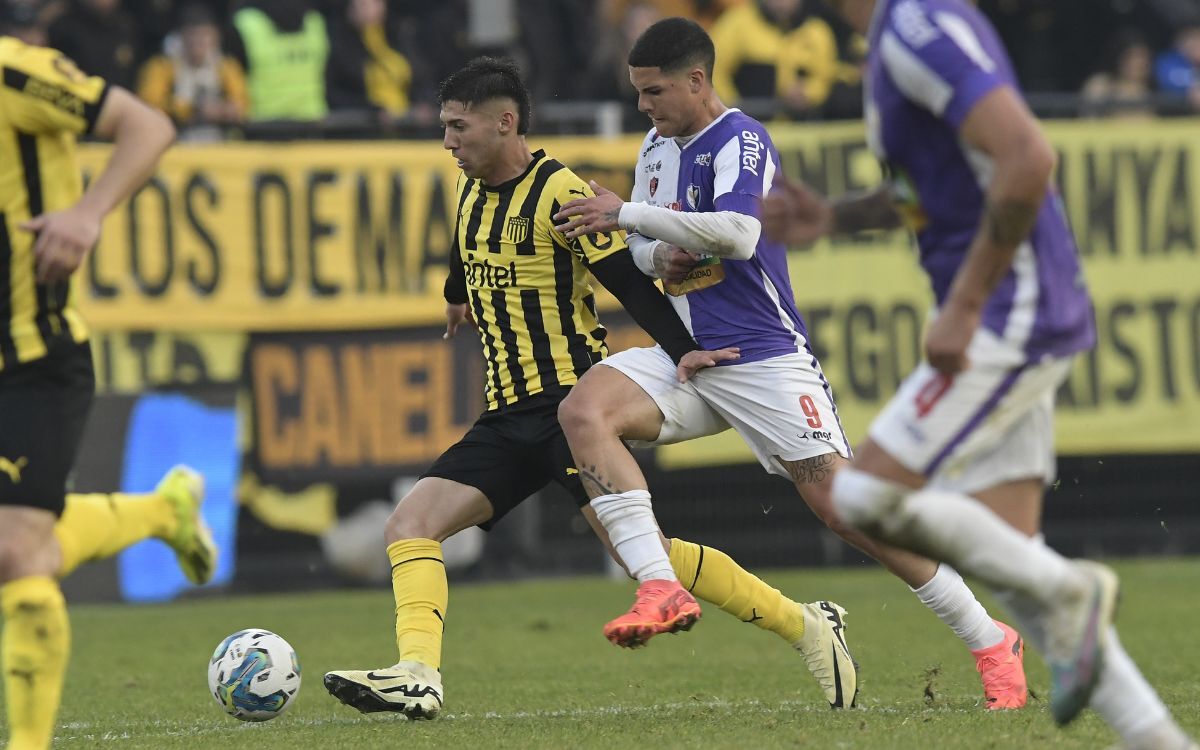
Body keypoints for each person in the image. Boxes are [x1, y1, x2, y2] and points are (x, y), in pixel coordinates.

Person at [321, 56, 853, 720]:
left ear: (504, 122)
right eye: (446, 128)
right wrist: (457, 297)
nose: (449, 141)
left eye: (459, 128)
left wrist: (684, 351)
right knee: (410, 526)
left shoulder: (558, 191)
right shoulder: (472, 189)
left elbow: (629, 282)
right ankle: (417, 673)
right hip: (508, 416)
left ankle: (806, 626)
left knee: (646, 559)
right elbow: (467, 249)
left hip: (570, 407)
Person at [551, 16, 1025, 711]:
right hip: (691, 354)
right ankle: (658, 585)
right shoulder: (656, 148)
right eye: (638, 93)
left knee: (848, 512)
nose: (644, 106)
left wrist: (627, 216)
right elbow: (655, 251)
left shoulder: (740, 139)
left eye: (655, 92)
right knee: (583, 412)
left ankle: (990, 640)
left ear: (697, 81)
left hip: (765, 357)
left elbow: (740, 235)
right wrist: (659, 254)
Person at [765, 1, 1197, 746]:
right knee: (1026, 584)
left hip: (1010, 308)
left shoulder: (918, 24)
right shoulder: (895, 37)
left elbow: (1028, 157)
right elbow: (931, 191)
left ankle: (1075, 584)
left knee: (862, 495)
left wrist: (964, 306)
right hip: (1013, 305)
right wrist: (835, 219)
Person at [0, 37, 215, 750]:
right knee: (19, 546)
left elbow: (148, 125)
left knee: (15, 554)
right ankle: (161, 510)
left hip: (33, 357)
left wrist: (86, 213)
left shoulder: (14, 72)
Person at [136, 4, 249, 132]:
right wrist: (193, 110)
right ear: (181, 36)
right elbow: (149, 105)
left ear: (216, 38)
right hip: (174, 135)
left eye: (205, 36)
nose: (198, 43)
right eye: (193, 35)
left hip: (219, 139)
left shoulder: (226, 66)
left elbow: (242, 103)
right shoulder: (162, 66)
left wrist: (226, 110)